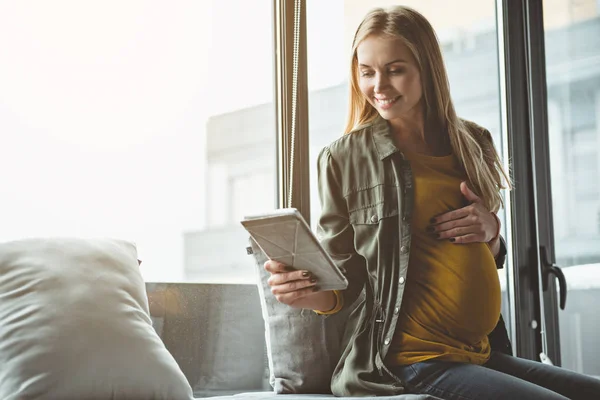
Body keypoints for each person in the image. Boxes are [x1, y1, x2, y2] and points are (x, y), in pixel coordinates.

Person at [264, 5, 600, 400]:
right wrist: (306, 293)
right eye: (367, 71)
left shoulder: (472, 142)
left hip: (480, 354)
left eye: (395, 69)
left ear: (427, 67)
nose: (379, 85)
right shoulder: (343, 159)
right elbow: (346, 280)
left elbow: (486, 252)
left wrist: (492, 231)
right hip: (410, 359)